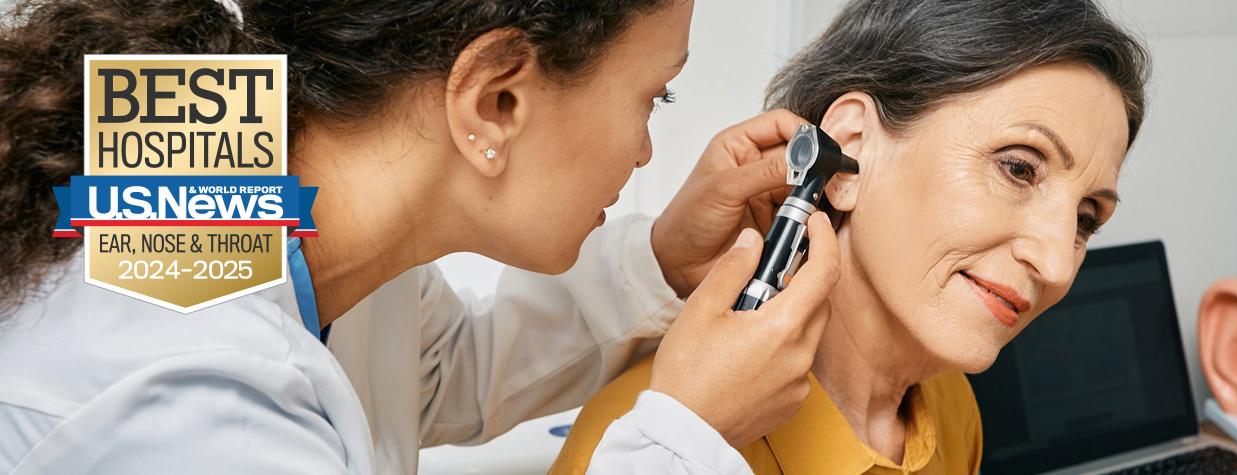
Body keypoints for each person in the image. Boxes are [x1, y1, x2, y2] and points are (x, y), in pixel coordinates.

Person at [0, 0, 838, 472]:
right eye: (656, 97)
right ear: (495, 99)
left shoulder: (250, 167)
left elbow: (427, 372)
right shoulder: (200, 407)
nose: (647, 146)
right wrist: (683, 436)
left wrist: (660, 260)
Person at [551, 0, 1150, 473]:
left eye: (1085, 219)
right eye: (1018, 167)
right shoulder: (653, 440)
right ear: (852, 152)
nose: (1055, 263)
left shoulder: (951, 410)